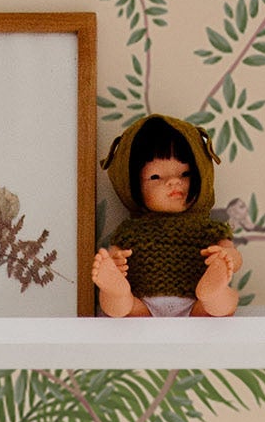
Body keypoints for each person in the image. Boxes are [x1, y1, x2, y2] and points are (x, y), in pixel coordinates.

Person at [92, 113, 241, 318]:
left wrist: (226, 259)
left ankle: (212, 293)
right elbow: (117, 252)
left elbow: (233, 256)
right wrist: (115, 264)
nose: (173, 182)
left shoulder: (209, 230)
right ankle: (116, 292)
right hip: (144, 304)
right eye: (155, 177)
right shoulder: (131, 232)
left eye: (185, 174)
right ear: (132, 185)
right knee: (122, 308)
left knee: (225, 303)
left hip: (195, 303)